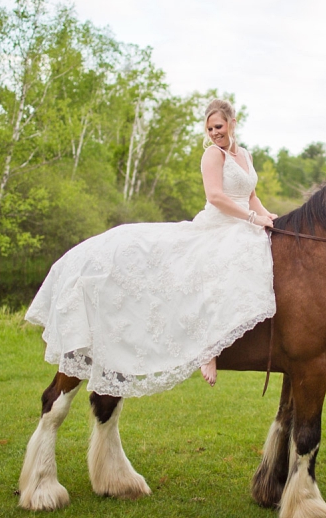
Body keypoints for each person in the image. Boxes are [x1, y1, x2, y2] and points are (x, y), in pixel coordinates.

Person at [25, 99, 277, 398]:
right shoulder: (213, 154)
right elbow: (216, 197)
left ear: (232, 122)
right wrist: (252, 218)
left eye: (218, 126)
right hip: (219, 224)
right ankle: (208, 350)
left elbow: (250, 195)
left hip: (243, 223)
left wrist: (268, 217)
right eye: (209, 128)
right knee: (213, 267)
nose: (214, 133)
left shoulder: (245, 155)